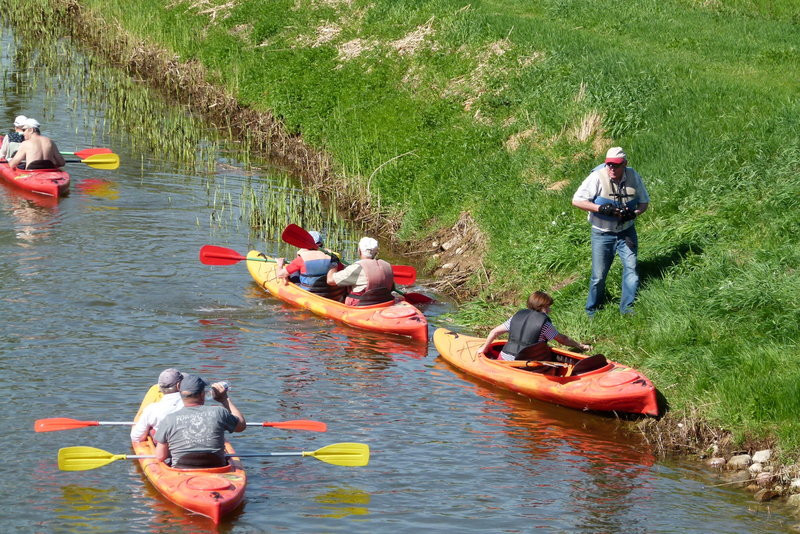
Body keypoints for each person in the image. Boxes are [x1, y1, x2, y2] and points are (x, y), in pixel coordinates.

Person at [572, 147, 650, 316]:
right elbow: (576, 200)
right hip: (602, 234)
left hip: (626, 232)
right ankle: (592, 310)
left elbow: (644, 202)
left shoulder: (633, 176)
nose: (612, 169)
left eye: (616, 165)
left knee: (632, 269)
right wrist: (600, 208)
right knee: (599, 276)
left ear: (625, 164)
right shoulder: (596, 177)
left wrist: (634, 214)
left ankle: (627, 308)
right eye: (609, 165)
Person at [154, 374, 246, 468]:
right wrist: (224, 399)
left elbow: (160, 456)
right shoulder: (219, 412)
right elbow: (241, 426)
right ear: (202, 394)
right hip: (216, 468)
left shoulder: (169, 419)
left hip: (181, 469)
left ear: (180, 391)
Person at [476, 291, 591, 361]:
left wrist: (484, 349)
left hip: (504, 358)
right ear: (542, 307)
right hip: (525, 363)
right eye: (548, 307)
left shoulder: (516, 317)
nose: (550, 310)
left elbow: (494, 332)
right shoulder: (544, 324)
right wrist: (580, 346)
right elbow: (562, 339)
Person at [276, 230, 344, 300]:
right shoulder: (333, 257)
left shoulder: (301, 259)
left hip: (310, 294)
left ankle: (287, 283)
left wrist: (280, 264)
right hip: (332, 295)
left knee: (294, 272)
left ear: (305, 244)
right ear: (321, 243)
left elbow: (280, 274)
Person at [327, 237, 395, 306]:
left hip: (361, 307)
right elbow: (392, 288)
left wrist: (334, 263)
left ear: (359, 251)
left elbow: (330, 280)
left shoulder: (357, 268)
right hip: (383, 304)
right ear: (376, 253)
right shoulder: (387, 266)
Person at [130, 368, 184, 442]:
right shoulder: (192, 405)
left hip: (164, 445)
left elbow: (136, 437)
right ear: (179, 385)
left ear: (160, 388)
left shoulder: (151, 409)